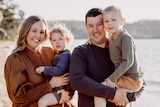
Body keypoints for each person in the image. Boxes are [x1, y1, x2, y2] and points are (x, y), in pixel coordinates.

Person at [69, 8, 146, 107]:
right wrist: (113, 94)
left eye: (99, 24)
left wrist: (128, 97)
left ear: (105, 25)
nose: (95, 30)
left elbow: (141, 80)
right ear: (86, 28)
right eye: (90, 26)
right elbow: (77, 81)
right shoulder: (81, 52)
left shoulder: (119, 47)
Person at [4, 15, 74, 107]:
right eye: (34, 31)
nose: (38, 35)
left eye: (42, 32)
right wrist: (50, 85)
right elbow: (18, 99)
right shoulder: (15, 59)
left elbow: (70, 73)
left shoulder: (50, 52)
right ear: (26, 31)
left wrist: (68, 93)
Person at [94, 5, 144, 107]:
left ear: (123, 21)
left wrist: (112, 78)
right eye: (106, 21)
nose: (110, 23)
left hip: (131, 80)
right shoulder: (112, 38)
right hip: (124, 78)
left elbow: (127, 62)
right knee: (120, 99)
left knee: (99, 90)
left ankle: (126, 92)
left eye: (113, 20)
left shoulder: (125, 38)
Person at [35, 23, 74, 107]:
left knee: (42, 102)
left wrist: (44, 69)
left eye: (60, 39)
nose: (57, 42)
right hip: (58, 89)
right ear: (51, 43)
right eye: (54, 40)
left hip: (60, 90)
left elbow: (59, 70)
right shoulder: (61, 54)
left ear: (67, 40)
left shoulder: (64, 56)